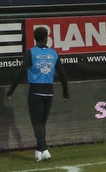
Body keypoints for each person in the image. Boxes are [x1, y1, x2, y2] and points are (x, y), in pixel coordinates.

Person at [6, 27, 69, 162]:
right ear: (46, 37)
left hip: (35, 91)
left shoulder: (31, 53)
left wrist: (11, 91)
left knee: (37, 123)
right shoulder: (53, 53)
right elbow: (62, 74)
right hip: (49, 92)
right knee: (42, 123)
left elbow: (21, 72)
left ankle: (45, 149)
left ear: (34, 38)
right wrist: (65, 93)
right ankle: (39, 151)